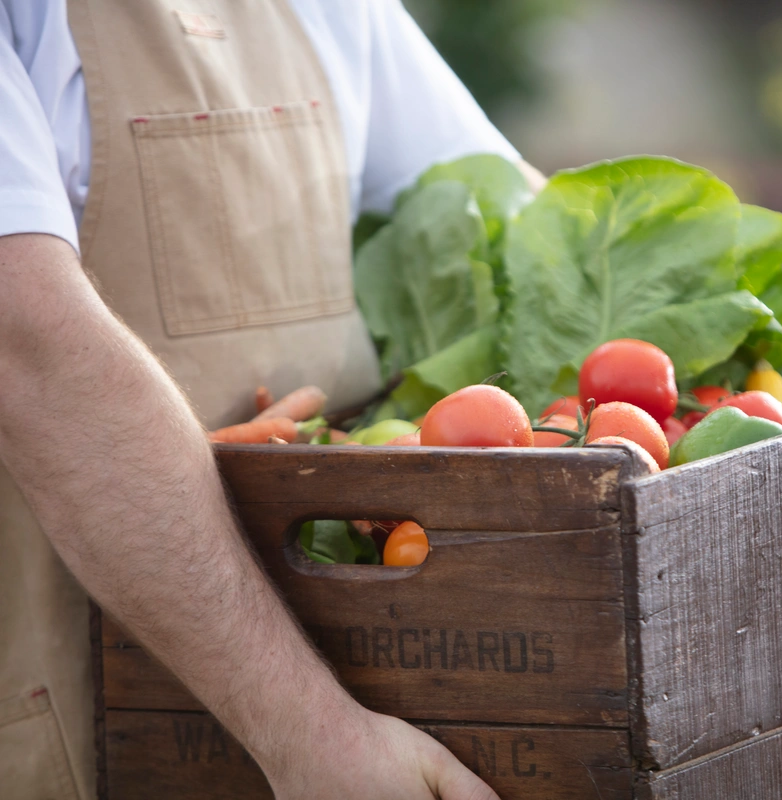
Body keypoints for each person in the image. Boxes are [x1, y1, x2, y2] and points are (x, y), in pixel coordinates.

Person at [0, 1, 543, 797]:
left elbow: (506, 210)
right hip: (94, 721)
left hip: (378, 711)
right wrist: (314, 738)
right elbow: (26, 337)